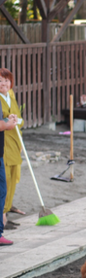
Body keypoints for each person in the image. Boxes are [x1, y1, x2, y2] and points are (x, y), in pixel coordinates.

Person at [0, 69, 23, 231]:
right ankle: (2, 216)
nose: (4, 84)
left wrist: (16, 119)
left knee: (14, 177)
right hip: (4, 142)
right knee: (4, 180)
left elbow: (19, 119)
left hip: (15, 141)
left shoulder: (11, 95)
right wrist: (8, 119)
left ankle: (6, 211)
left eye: (6, 80)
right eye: (1, 81)